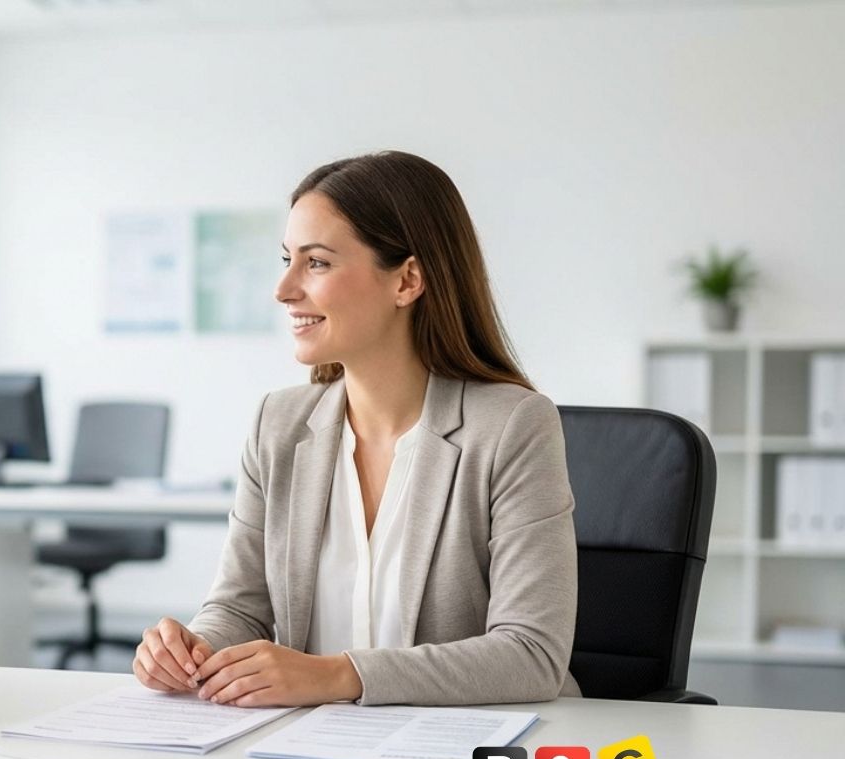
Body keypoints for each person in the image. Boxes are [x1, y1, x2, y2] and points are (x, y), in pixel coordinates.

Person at [133, 151, 580, 708]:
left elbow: (530, 654)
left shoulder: (512, 427)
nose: (284, 289)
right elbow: (240, 609)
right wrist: (192, 649)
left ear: (407, 279)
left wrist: (337, 676)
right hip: (311, 750)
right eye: (286, 259)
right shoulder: (278, 424)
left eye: (316, 263)